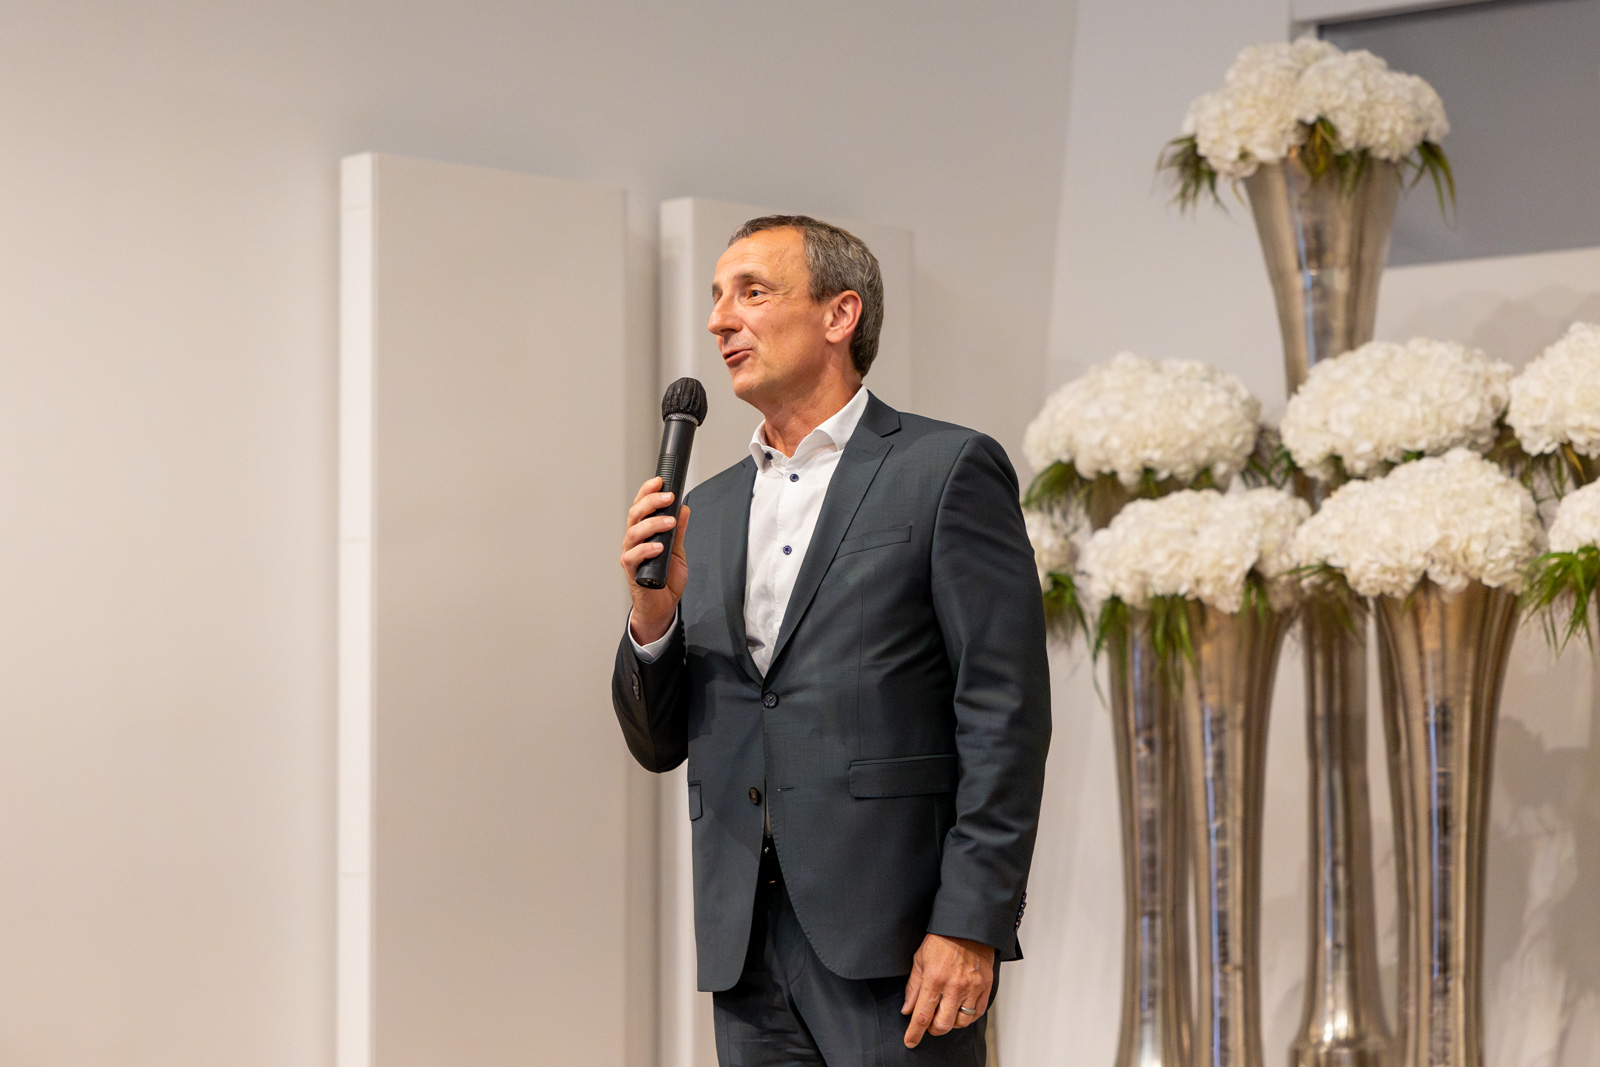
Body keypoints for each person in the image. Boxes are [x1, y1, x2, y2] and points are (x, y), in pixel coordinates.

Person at [613, 215, 1049, 1065]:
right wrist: (652, 616)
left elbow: (1005, 713)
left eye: (752, 292)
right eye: (716, 297)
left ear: (839, 315)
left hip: (899, 943)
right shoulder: (708, 505)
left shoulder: (945, 469)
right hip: (745, 942)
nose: (720, 320)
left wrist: (971, 920)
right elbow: (660, 743)